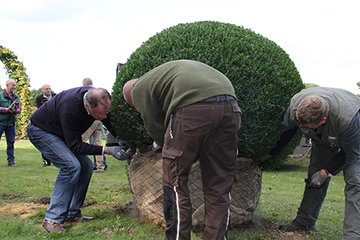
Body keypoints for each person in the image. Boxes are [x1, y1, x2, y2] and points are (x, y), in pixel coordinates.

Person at [123, 60, 242, 240]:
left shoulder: (138, 89)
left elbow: (154, 124)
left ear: (131, 97)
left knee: (175, 181)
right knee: (219, 182)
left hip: (193, 109)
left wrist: (165, 145)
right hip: (230, 107)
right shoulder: (162, 76)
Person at [257, 87, 360, 239]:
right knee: (314, 179)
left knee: (355, 182)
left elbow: (350, 153)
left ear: (323, 119)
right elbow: (286, 133)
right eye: (301, 123)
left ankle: (353, 235)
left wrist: (326, 172)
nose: (302, 127)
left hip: (354, 141)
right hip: (323, 140)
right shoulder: (295, 108)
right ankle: (304, 222)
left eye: (306, 125)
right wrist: (269, 153)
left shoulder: (348, 119)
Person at [27, 86, 131, 233]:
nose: (104, 117)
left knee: (87, 166)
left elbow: (107, 119)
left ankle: (71, 214)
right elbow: (75, 146)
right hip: (41, 130)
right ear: (87, 106)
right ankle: (51, 220)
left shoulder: (96, 98)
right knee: (71, 166)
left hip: (59, 132)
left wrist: (119, 137)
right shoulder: (70, 109)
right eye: (100, 114)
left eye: (106, 112)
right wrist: (107, 150)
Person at [82, 78, 108, 171]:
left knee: (81, 141)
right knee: (98, 144)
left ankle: (81, 164)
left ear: (84, 84)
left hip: (92, 120)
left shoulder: (87, 96)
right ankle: (100, 166)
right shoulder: (98, 94)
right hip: (99, 122)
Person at [0, 79, 22, 167]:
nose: (14, 87)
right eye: (12, 85)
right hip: (1, 122)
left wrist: (15, 110)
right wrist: (6, 110)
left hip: (11, 124)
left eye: (15, 86)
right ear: (7, 85)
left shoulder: (16, 97)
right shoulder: (0, 95)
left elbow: (19, 110)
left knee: (11, 142)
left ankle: (11, 161)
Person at [36, 84, 56, 167]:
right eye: (46, 89)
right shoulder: (39, 99)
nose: (48, 90)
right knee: (44, 141)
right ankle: (46, 160)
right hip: (44, 122)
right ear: (42, 90)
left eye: (49, 89)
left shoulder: (55, 96)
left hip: (54, 122)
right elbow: (40, 109)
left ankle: (56, 159)